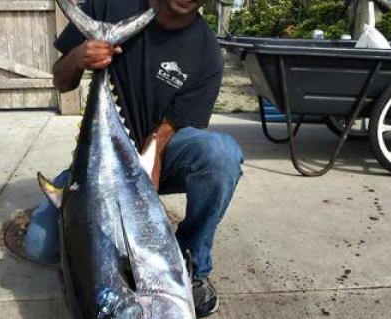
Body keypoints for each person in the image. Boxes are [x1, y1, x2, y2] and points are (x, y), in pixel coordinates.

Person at [22, 0, 243, 317]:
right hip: (100, 161)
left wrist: (146, 176)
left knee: (221, 155)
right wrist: (77, 57)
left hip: (160, 154)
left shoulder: (206, 51)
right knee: (39, 243)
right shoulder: (110, 6)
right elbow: (61, 80)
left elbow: (167, 130)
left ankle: (193, 262)